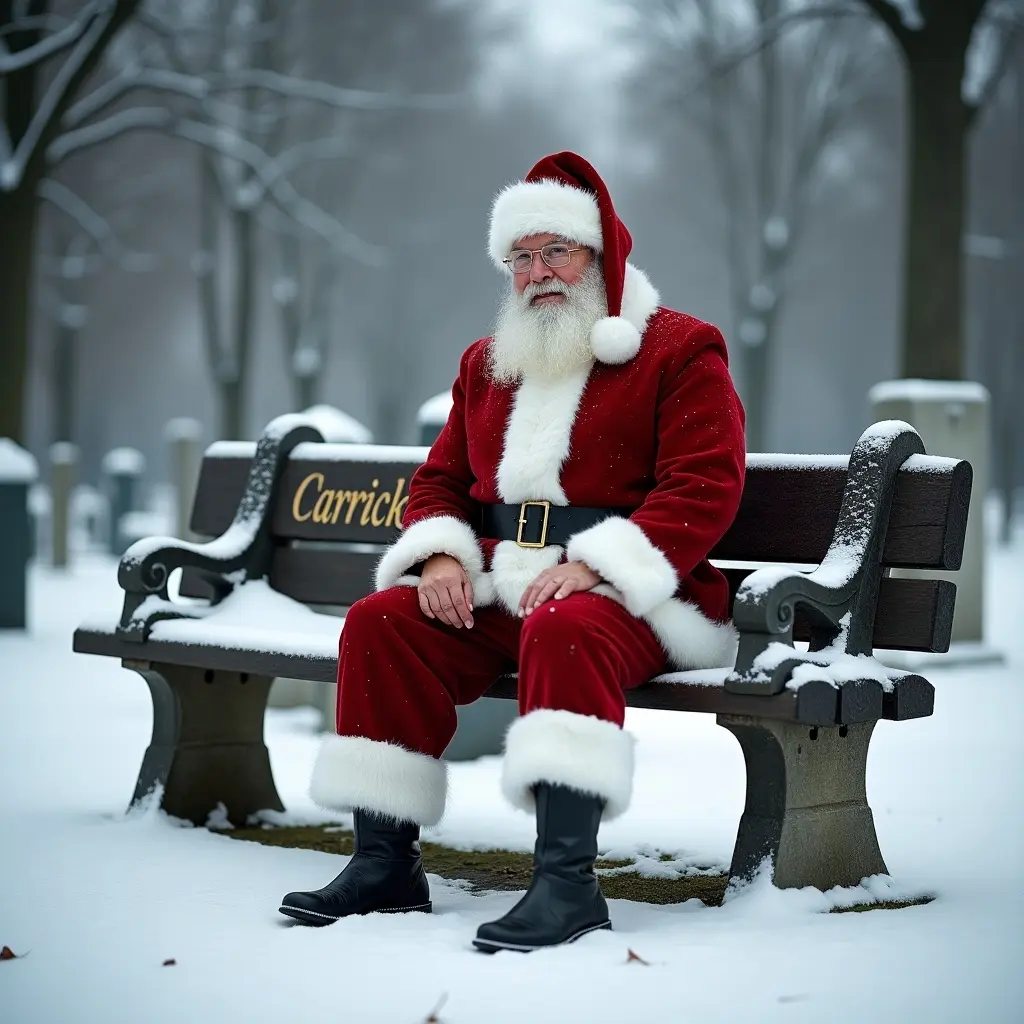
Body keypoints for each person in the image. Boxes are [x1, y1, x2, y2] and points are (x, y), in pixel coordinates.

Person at [279, 151, 746, 952]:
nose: (538, 274)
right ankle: (385, 864)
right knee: (381, 623)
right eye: (521, 258)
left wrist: (599, 563)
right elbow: (439, 482)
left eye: (554, 252)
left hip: (638, 598)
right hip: (505, 585)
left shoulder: (679, 349)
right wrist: (441, 558)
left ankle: (567, 887)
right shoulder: (488, 362)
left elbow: (705, 485)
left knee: (564, 625)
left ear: (599, 253)